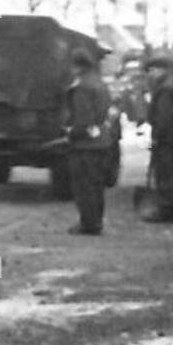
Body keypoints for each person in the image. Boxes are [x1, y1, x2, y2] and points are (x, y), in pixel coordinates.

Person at [64, 47, 113, 235]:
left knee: (83, 186)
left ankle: (88, 223)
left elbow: (82, 119)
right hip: (101, 142)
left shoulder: (81, 87)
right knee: (96, 184)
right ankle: (96, 221)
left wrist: (70, 133)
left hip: (85, 145)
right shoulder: (100, 83)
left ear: (78, 66)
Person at [142, 56, 173, 222]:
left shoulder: (165, 90)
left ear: (160, 70)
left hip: (165, 139)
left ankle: (167, 210)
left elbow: (163, 117)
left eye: (151, 71)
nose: (149, 75)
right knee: (168, 174)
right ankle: (172, 208)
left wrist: (156, 138)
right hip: (170, 137)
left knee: (165, 175)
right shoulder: (168, 86)